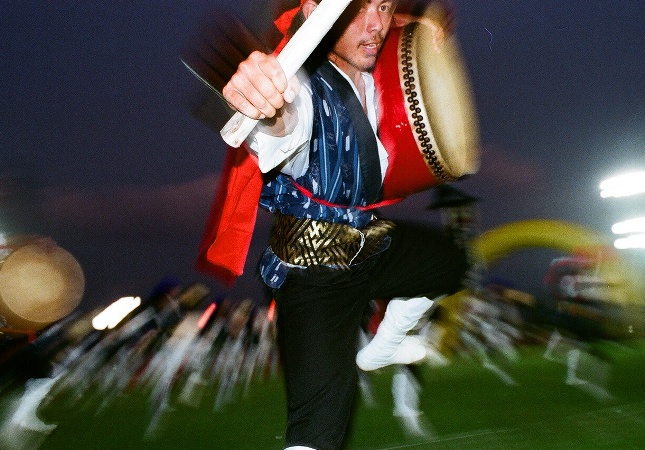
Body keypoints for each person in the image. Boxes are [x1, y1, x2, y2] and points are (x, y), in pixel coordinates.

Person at [205, 0, 470, 448]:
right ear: (316, 10)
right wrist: (265, 101)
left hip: (371, 244)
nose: (376, 26)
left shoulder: (377, 67)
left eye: (384, 7)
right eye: (359, 10)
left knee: (449, 262)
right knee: (319, 430)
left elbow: (408, 31)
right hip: (314, 271)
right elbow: (284, 123)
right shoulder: (304, 84)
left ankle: (385, 346)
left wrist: (426, 25)